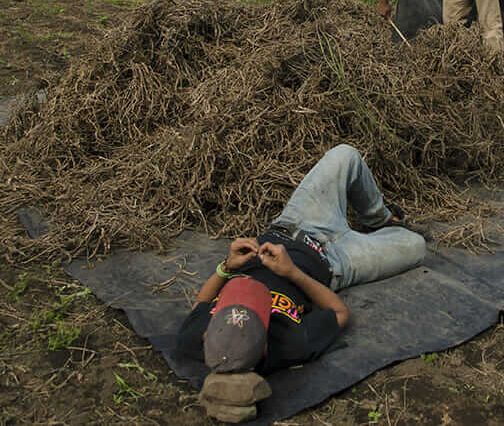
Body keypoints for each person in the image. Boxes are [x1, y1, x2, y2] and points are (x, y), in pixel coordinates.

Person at [174, 144, 424, 384]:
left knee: (345, 155)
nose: (249, 301)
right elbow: (340, 313)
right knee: (415, 245)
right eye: (257, 312)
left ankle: (381, 219)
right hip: (336, 261)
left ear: (208, 334)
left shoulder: (196, 339)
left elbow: (200, 304)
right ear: (263, 349)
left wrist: (227, 266)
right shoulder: (289, 345)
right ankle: (371, 233)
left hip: (295, 224)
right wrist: (292, 273)